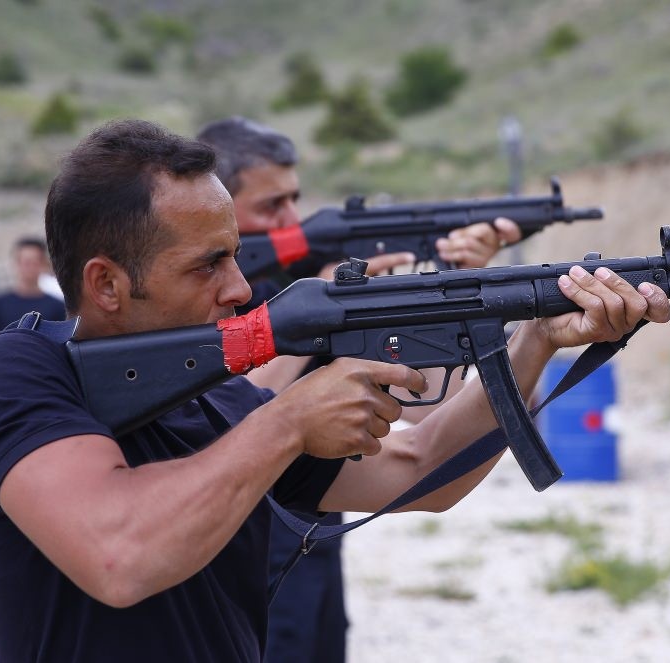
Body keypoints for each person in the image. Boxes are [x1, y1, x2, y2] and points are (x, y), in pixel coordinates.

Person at [0, 119, 670, 663]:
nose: (239, 286)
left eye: (237, 255)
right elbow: (118, 555)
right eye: (208, 265)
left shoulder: (217, 400)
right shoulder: (16, 372)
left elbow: (421, 468)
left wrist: (536, 339)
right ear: (105, 283)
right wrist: (289, 419)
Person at [196, 116, 525, 663]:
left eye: (295, 201)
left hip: (318, 519)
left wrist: (466, 310)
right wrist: (312, 320)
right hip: (239, 537)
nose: (291, 219)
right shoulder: (213, 300)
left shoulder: (316, 285)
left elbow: (426, 416)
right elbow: (227, 407)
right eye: (271, 206)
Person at [0, 236, 66, 334]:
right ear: (16, 263)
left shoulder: (57, 307)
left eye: (35, 262)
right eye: (26, 262)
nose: (30, 268)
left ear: (44, 264)